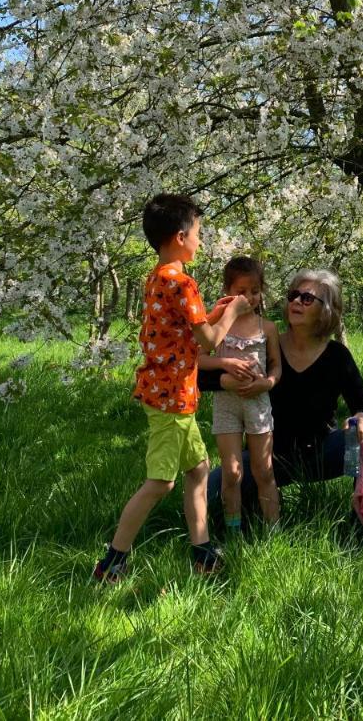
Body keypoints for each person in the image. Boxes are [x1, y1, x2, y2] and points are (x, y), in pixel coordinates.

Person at [92, 194, 252, 583]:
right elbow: (211, 341)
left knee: (198, 469)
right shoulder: (181, 281)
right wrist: (234, 310)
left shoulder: (158, 277)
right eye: (198, 233)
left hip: (168, 391)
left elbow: (186, 332)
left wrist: (215, 310)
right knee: (161, 482)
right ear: (181, 236)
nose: (200, 241)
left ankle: (202, 552)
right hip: (171, 398)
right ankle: (112, 562)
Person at [200, 268, 363, 520]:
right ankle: (250, 521)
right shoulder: (265, 343)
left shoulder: (337, 356)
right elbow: (198, 376)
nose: (296, 301)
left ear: (325, 309)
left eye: (307, 299)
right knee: (210, 493)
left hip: (321, 452)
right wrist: (227, 380)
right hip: (266, 455)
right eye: (293, 295)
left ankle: (362, 521)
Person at [198, 256, 282, 532]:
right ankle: (232, 528)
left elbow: (276, 367)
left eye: (255, 291)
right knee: (232, 472)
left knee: (263, 470)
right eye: (240, 291)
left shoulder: (267, 328)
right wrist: (225, 363)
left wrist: (267, 383)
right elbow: (199, 359)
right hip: (226, 405)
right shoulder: (218, 325)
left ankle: (273, 530)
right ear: (228, 292)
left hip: (258, 404)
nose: (248, 297)